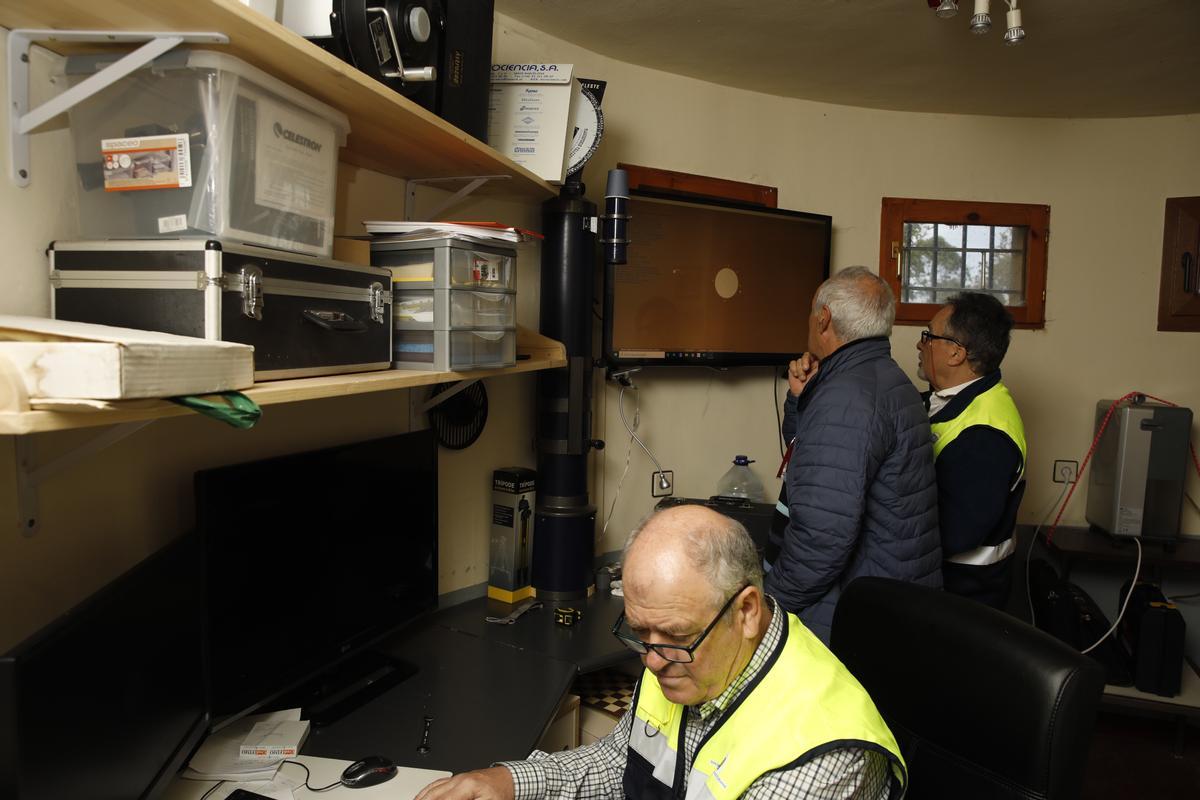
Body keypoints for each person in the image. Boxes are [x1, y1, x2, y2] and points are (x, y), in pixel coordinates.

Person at [414, 505, 908, 800]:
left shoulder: (822, 754)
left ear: (747, 611)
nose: (650, 660)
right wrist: (510, 782)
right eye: (640, 631)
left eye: (672, 636)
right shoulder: (677, 649)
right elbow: (616, 765)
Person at [764, 266, 941, 644]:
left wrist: (769, 607)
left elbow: (821, 538)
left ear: (824, 318)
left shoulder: (848, 397)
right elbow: (810, 457)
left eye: (812, 313)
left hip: (851, 612)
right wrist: (799, 398)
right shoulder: (883, 379)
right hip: (891, 603)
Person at [917, 292, 1026, 608]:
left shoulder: (987, 434)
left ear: (955, 353)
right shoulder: (942, 400)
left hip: (963, 598)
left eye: (929, 336)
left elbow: (955, 533)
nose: (920, 345)